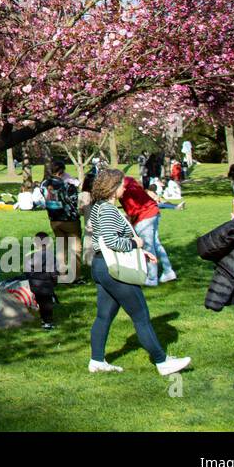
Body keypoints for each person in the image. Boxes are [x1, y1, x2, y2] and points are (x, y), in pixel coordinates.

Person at [82, 168, 190, 376]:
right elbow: (111, 241)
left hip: (101, 266)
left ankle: (97, 361)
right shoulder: (108, 210)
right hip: (113, 269)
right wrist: (135, 242)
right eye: (121, 184)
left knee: (104, 316)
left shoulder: (98, 208)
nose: (125, 187)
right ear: (112, 188)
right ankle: (162, 361)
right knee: (141, 316)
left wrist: (141, 251)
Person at [118, 173, 176, 285]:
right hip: (154, 212)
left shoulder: (125, 190)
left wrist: (129, 222)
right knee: (156, 244)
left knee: (148, 247)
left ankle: (152, 278)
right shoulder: (130, 181)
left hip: (144, 217)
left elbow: (133, 211)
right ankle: (168, 271)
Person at [41, 161, 83, 282]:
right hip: (69, 219)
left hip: (54, 219)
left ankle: (61, 272)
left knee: (61, 247)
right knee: (75, 249)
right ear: (61, 172)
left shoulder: (44, 184)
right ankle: (75, 276)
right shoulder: (66, 185)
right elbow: (74, 201)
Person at [26, 232, 60, 329]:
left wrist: (31, 281)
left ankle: (43, 319)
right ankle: (48, 322)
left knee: (41, 302)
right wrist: (55, 281)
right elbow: (53, 272)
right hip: (46, 284)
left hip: (35, 285)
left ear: (34, 244)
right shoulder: (50, 256)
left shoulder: (31, 257)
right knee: (48, 304)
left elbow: (27, 272)